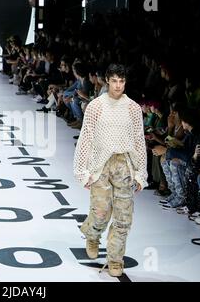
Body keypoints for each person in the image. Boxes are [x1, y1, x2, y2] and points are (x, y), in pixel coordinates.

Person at [73, 64, 148, 277]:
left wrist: (141, 172)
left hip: (124, 164)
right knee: (101, 212)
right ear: (107, 80)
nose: (118, 85)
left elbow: (138, 141)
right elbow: (85, 138)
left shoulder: (133, 108)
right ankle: (92, 234)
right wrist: (82, 171)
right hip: (100, 164)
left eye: (121, 81)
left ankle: (115, 259)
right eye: (114, 81)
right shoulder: (96, 106)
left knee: (124, 217)